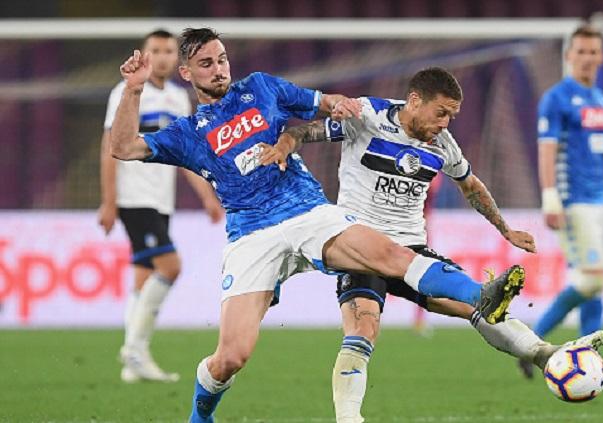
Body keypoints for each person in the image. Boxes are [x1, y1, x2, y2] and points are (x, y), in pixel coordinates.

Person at [109, 28, 527, 423]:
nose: (218, 69)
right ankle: (201, 416)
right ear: (186, 73)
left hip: (309, 212)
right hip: (251, 234)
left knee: (390, 254)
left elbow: (323, 103)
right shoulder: (188, 132)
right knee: (231, 358)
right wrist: (134, 88)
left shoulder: (261, 87)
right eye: (206, 64)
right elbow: (124, 146)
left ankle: (483, 296)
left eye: (221, 59)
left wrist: (340, 104)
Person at [276, 67, 603, 422]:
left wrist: (505, 229)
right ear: (415, 101)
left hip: (410, 252)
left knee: (477, 309)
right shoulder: (368, 116)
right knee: (363, 328)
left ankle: (546, 356)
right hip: (360, 247)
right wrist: (284, 146)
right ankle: (348, 419)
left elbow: (471, 186)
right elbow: (305, 132)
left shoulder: (442, 145)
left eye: (452, 115)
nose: (446, 122)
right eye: (442, 112)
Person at [98, 29, 223, 383]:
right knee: (170, 266)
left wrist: (206, 196)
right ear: (145, 54)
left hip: (161, 200)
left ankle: (132, 360)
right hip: (133, 197)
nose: (164, 56)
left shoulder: (178, 100)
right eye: (157, 50)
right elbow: (110, 148)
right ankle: (135, 350)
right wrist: (109, 202)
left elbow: (186, 156)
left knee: (143, 275)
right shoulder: (125, 94)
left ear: (178, 59)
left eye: (170, 50)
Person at [519, 26, 603, 380]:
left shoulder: (600, 99)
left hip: (599, 202)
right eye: (580, 51)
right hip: (573, 201)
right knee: (592, 280)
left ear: (601, 56)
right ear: (569, 55)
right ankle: (531, 344)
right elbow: (546, 150)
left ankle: (591, 363)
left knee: (597, 283)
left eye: (593, 51)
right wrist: (550, 199)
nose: (587, 57)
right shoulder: (556, 98)